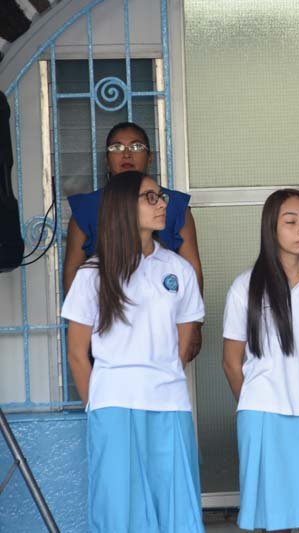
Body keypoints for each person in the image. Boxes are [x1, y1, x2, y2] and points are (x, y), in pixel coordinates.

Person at [62, 171, 205, 532]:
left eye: (161, 197)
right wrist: (96, 405)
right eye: (150, 197)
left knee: (175, 506)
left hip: (170, 403)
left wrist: (161, 377)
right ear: (124, 206)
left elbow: (183, 340)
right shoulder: (92, 274)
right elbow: (77, 353)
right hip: (114, 404)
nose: (161, 205)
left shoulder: (179, 270)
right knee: (120, 511)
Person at [222, 189, 299, 532]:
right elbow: (231, 361)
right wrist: (256, 402)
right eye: (290, 222)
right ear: (271, 228)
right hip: (266, 414)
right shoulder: (246, 287)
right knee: (273, 518)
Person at [63, 122, 203, 360]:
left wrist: (195, 324)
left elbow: (192, 266)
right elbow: (72, 272)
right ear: (106, 160)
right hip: (109, 329)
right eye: (116, 147)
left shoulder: (172, 205)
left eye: (136, 147)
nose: (126, 154)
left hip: (165, 325)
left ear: (150, 158)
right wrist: (83, 325)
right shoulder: (87, 208)